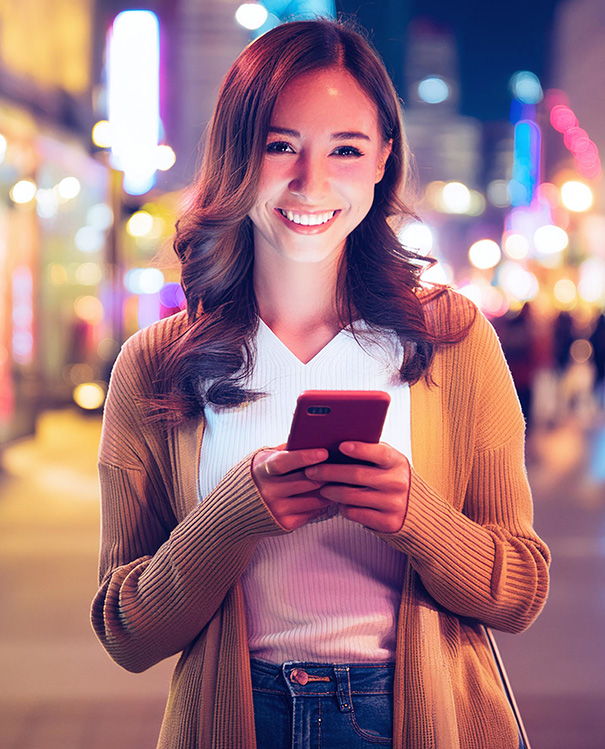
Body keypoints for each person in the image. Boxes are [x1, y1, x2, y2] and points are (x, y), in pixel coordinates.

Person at [91, 19, 550, 749]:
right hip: (237, 719)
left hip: (414, 716)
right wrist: (233, 516)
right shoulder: (156, 362)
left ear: (382, 160)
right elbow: (126, 630)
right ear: (236, 155)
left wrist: (417, 518)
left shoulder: (450, 339)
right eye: (280, 145)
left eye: (345, 148)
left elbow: (519, 588)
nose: (311, 183)